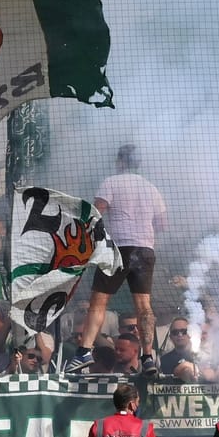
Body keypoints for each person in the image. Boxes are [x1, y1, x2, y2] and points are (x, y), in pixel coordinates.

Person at [70, 145, 166, 373]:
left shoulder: (112, 181)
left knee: (99, 301)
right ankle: (147, 357)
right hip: (145, 250)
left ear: (120, 162)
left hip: (118, 249)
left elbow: (98, 210)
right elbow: (162, 224)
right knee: (144, 305)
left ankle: (84, 351)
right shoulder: (151, 188)